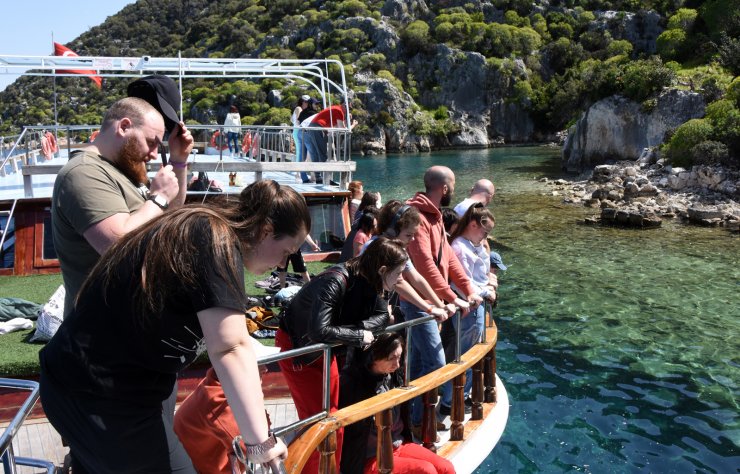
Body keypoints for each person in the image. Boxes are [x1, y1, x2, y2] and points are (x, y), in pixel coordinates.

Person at [40, 180, 307, 473]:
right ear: (266, 231)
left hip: (122, 391)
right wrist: (261, 444)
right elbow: (229, 346)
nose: (283, 264)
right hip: (98, 392)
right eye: (286, 252)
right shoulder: (212, 237)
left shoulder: (207, 232)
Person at [52, 79, 194, 319]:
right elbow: (116, 245)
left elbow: (171, 212)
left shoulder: (122, 169)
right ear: (124, 126)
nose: (152, 154)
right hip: (99, 334)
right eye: (151, 143)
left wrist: (179, 161)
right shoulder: (83, 173)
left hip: (130, 326)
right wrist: (157, 198)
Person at [276, 237, 408, 474]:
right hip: (301, 350)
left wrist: (357, 329)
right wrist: (358, 336)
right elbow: (318, 331)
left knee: (333, 418)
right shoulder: (335, 280)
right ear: (383, 270)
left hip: (328, 349)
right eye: (399, 273)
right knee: (318, 422)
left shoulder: (373, 283)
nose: (401, 279)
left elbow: (382, 317)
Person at [402, 166, 483, 435]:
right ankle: (420, 419)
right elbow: (425, 263)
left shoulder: (435, 217)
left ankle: (414, 417)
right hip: (416, 301)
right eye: (454, 186)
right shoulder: (418, 217)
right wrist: (450, 297)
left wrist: (468, 290)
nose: (455, 191)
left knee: (416, 363)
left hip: (432, 300)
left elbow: (447, 257)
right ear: (445, 189)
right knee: (435, 362)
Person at [339, 333, 456, 474]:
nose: (397, 364)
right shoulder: (353, 386)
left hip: (399, 444)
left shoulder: (394, 376)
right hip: (371, 456)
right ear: (374, 357)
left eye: (399, 357)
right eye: (391, 358)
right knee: (427, 471)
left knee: (446, 468)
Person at [438, 203, 497, 418]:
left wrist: (489, 283)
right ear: (473, 224)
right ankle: (449, 400)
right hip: (469, 307)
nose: (486, 236)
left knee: (469, 352)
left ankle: (457, 397)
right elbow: (462, 280)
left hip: (475, 305)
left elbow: (478, 276)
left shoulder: (474, 244)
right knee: (465, 354)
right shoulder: (460, 248)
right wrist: (485, 292)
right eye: (485, 230)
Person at [360, 200, 454, 323]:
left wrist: (440, 305)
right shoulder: (376, 247)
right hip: (363, 308)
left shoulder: (398, 249)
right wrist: (430, 309)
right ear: (393, 231)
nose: (413, 239)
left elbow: (416, 278)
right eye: (409, 235)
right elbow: (399, 283)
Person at [301, 103, 358, 184]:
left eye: (350, 109)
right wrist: (353, 125)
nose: (348, 110)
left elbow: (337, 127)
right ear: (344, 106)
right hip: (317, 128)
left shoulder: (336, 109)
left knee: (318, 154)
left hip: (314, 127)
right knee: (322, 154)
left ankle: (319, 178)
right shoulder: (339, 111)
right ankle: (325, 179)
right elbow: (342, 129)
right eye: (348, 108)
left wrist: (346, 118)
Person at [292, 95, 312, 183]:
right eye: (307, 102)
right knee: (300, 153)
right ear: (302, 102)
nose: (308, 104)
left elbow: (291, 119)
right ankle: (298, 173)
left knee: (300, 152)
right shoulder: (299, 109)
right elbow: (300, 121)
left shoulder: (297, 109)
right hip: (299, 131)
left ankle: (298, 173)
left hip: (296, 131)